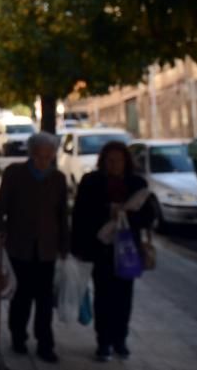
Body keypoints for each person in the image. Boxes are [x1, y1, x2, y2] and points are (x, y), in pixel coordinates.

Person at [71, 141, 155, 362]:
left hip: (127, 250)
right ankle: (103, 342)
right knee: (103, 296)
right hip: (101, 250)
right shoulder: (91, 182)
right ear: (103, 161)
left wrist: (126, 215)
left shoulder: (137, 184)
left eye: (118, 160)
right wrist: (107, 211)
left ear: (126, 162)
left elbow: (148, 217)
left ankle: (121, 340)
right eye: (109, 160)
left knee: (124, 297)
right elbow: (81, 214)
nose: (113, 164)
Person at [0, 132, 69, 364]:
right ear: (31, 153)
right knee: (21, 296)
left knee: (45, 300)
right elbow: (0, 206)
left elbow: (63, 214)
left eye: (48, 156)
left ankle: (45, 344)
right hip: (19, 245)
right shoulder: (14, 173)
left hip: (47, 248)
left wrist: (65, 244)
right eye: (38, 155)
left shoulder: (58, 178)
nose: (43, 160)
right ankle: (18, 336)